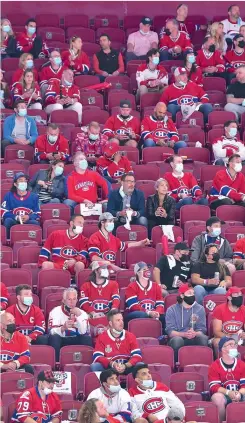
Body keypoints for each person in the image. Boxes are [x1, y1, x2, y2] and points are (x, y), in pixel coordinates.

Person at [166, 284, 208, 362]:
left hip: (194, 337)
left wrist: (195, 333)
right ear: (182, 296)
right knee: (177, 340)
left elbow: (202, 330)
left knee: (203, 338)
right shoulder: (171, 310)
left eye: (193, 293)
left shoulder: (200, 309)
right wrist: (184, 334)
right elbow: (170, 332)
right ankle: (176, 364)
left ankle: (203, 364)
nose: (192, 295)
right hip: (179, 337)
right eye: (189, 293)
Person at [91, 309, 142, 373]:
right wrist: (113, 364)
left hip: (127, 367)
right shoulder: (102, 337)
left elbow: (137, 355)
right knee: (95, 366)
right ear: (110, 323)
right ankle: (105, 383)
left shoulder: (130, 336)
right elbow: (97, 356)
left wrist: (126, 365)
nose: (121, 322)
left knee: (141, 365)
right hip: (110, 369)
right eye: (118, 320)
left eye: (122, 320)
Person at [48, 287, 92, 361]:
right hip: (62, 339)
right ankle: (56, 364)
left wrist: (79, 316)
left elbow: (84, 332)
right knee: (54, 338)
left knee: (87, 339)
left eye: (74, 299)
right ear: (63, 301)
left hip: (76, 338)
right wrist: (63, 328)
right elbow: (51, 331)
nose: (72, 302)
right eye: (69, 299)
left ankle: (87, 363)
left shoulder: (82, 313)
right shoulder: (55, 311)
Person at [208, 336, 245, 422]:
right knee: (217, 398)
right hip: (224, 395)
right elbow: (214, 387)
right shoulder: (214, 366)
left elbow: (244, 385)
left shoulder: (242, 364)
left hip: (240, 393)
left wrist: (238, 394)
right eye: (230, 344)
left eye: (234, 344)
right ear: (223, 349)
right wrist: (229, 393)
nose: (234, 346)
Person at [125, 261, 165, 327]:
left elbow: (160, 303)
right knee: (143, 315)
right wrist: (149, 312)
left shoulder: (156, 286)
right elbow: (133, 306)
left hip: (152, 312)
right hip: (133, 314)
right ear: (138, 273)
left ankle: (162, 336)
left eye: (147, 269)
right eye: (144, 269)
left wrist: (157, 312)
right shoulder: (131, 286)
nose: (147, 271)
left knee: (164, 316)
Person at [1, 172, 40, 238]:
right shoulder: (9, 195)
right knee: (8, 221)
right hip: (14, 220)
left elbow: (38, 213)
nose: (23, 183)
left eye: (25, 181)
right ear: (15, 184)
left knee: (35, 223)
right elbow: (3, 212)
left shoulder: (34, 196)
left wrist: (29, 217)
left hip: (28, 220)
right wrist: (16, 217)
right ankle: (7, 242)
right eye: (20, 180)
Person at [212, 287, 245, 356]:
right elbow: (217, 331)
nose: (239, 296)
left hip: (239, 337)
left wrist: (243, 334)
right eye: (236, 295)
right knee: (216, 341)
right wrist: (230, 338)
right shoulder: (220, 309)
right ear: (229, 298)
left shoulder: (243, 309)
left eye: (240, 294)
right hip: (224, 337)